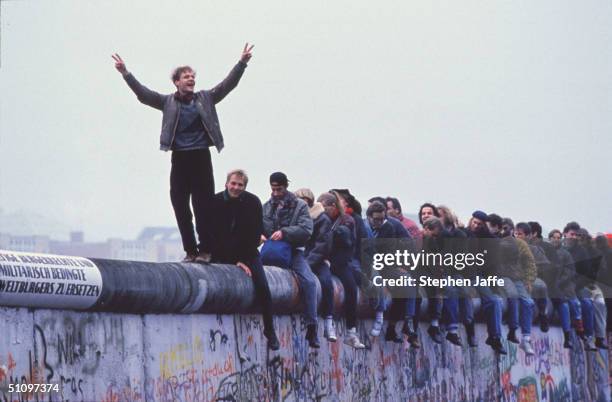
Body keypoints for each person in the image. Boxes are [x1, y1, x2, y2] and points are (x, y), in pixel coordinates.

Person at [112, 44, 254, 262]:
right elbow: (144, 95)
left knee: (202, 206)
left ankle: (205, 249)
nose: (190, 79)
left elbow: (227, 85)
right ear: (176, 82)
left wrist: (242, 63)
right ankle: (190, 250)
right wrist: (125, 73)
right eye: (185, 76)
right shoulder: (167, 102)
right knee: (180, 205)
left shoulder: (205, 98)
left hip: (200, 156)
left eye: (192, 76)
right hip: (179, 158)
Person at [209, 169, 279, 350]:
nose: (236, 187)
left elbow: (253, 234)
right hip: (221, 252)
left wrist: (243, 260)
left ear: (245, 187)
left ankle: (270, 331)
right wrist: (233, 261)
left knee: (263, 287)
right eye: (233, 183)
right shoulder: (215, 202)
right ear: (226, 183)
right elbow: (214, 235)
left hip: (247, 252)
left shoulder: (252, 202)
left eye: (240, 185)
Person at [262, 172, 320, 348]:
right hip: (271, 251)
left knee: (309, 282)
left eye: (279, 189)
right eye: (273, 189)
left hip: (293, 252)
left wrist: (285, 233)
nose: (276, 192)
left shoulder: (300, 206)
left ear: (285, 186)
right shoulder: (266, 207)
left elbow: (306, 229)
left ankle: (312, 326)